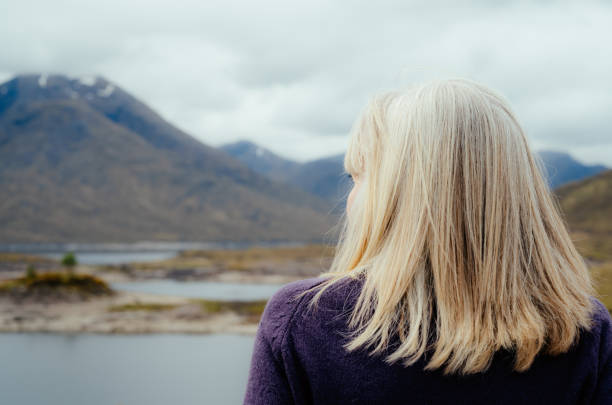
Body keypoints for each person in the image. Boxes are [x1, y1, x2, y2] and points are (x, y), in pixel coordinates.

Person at [243, 78, 612, 404]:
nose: (350, 200)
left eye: (358, 177)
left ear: (398, 196)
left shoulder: (304, 321)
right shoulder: (586, 330)